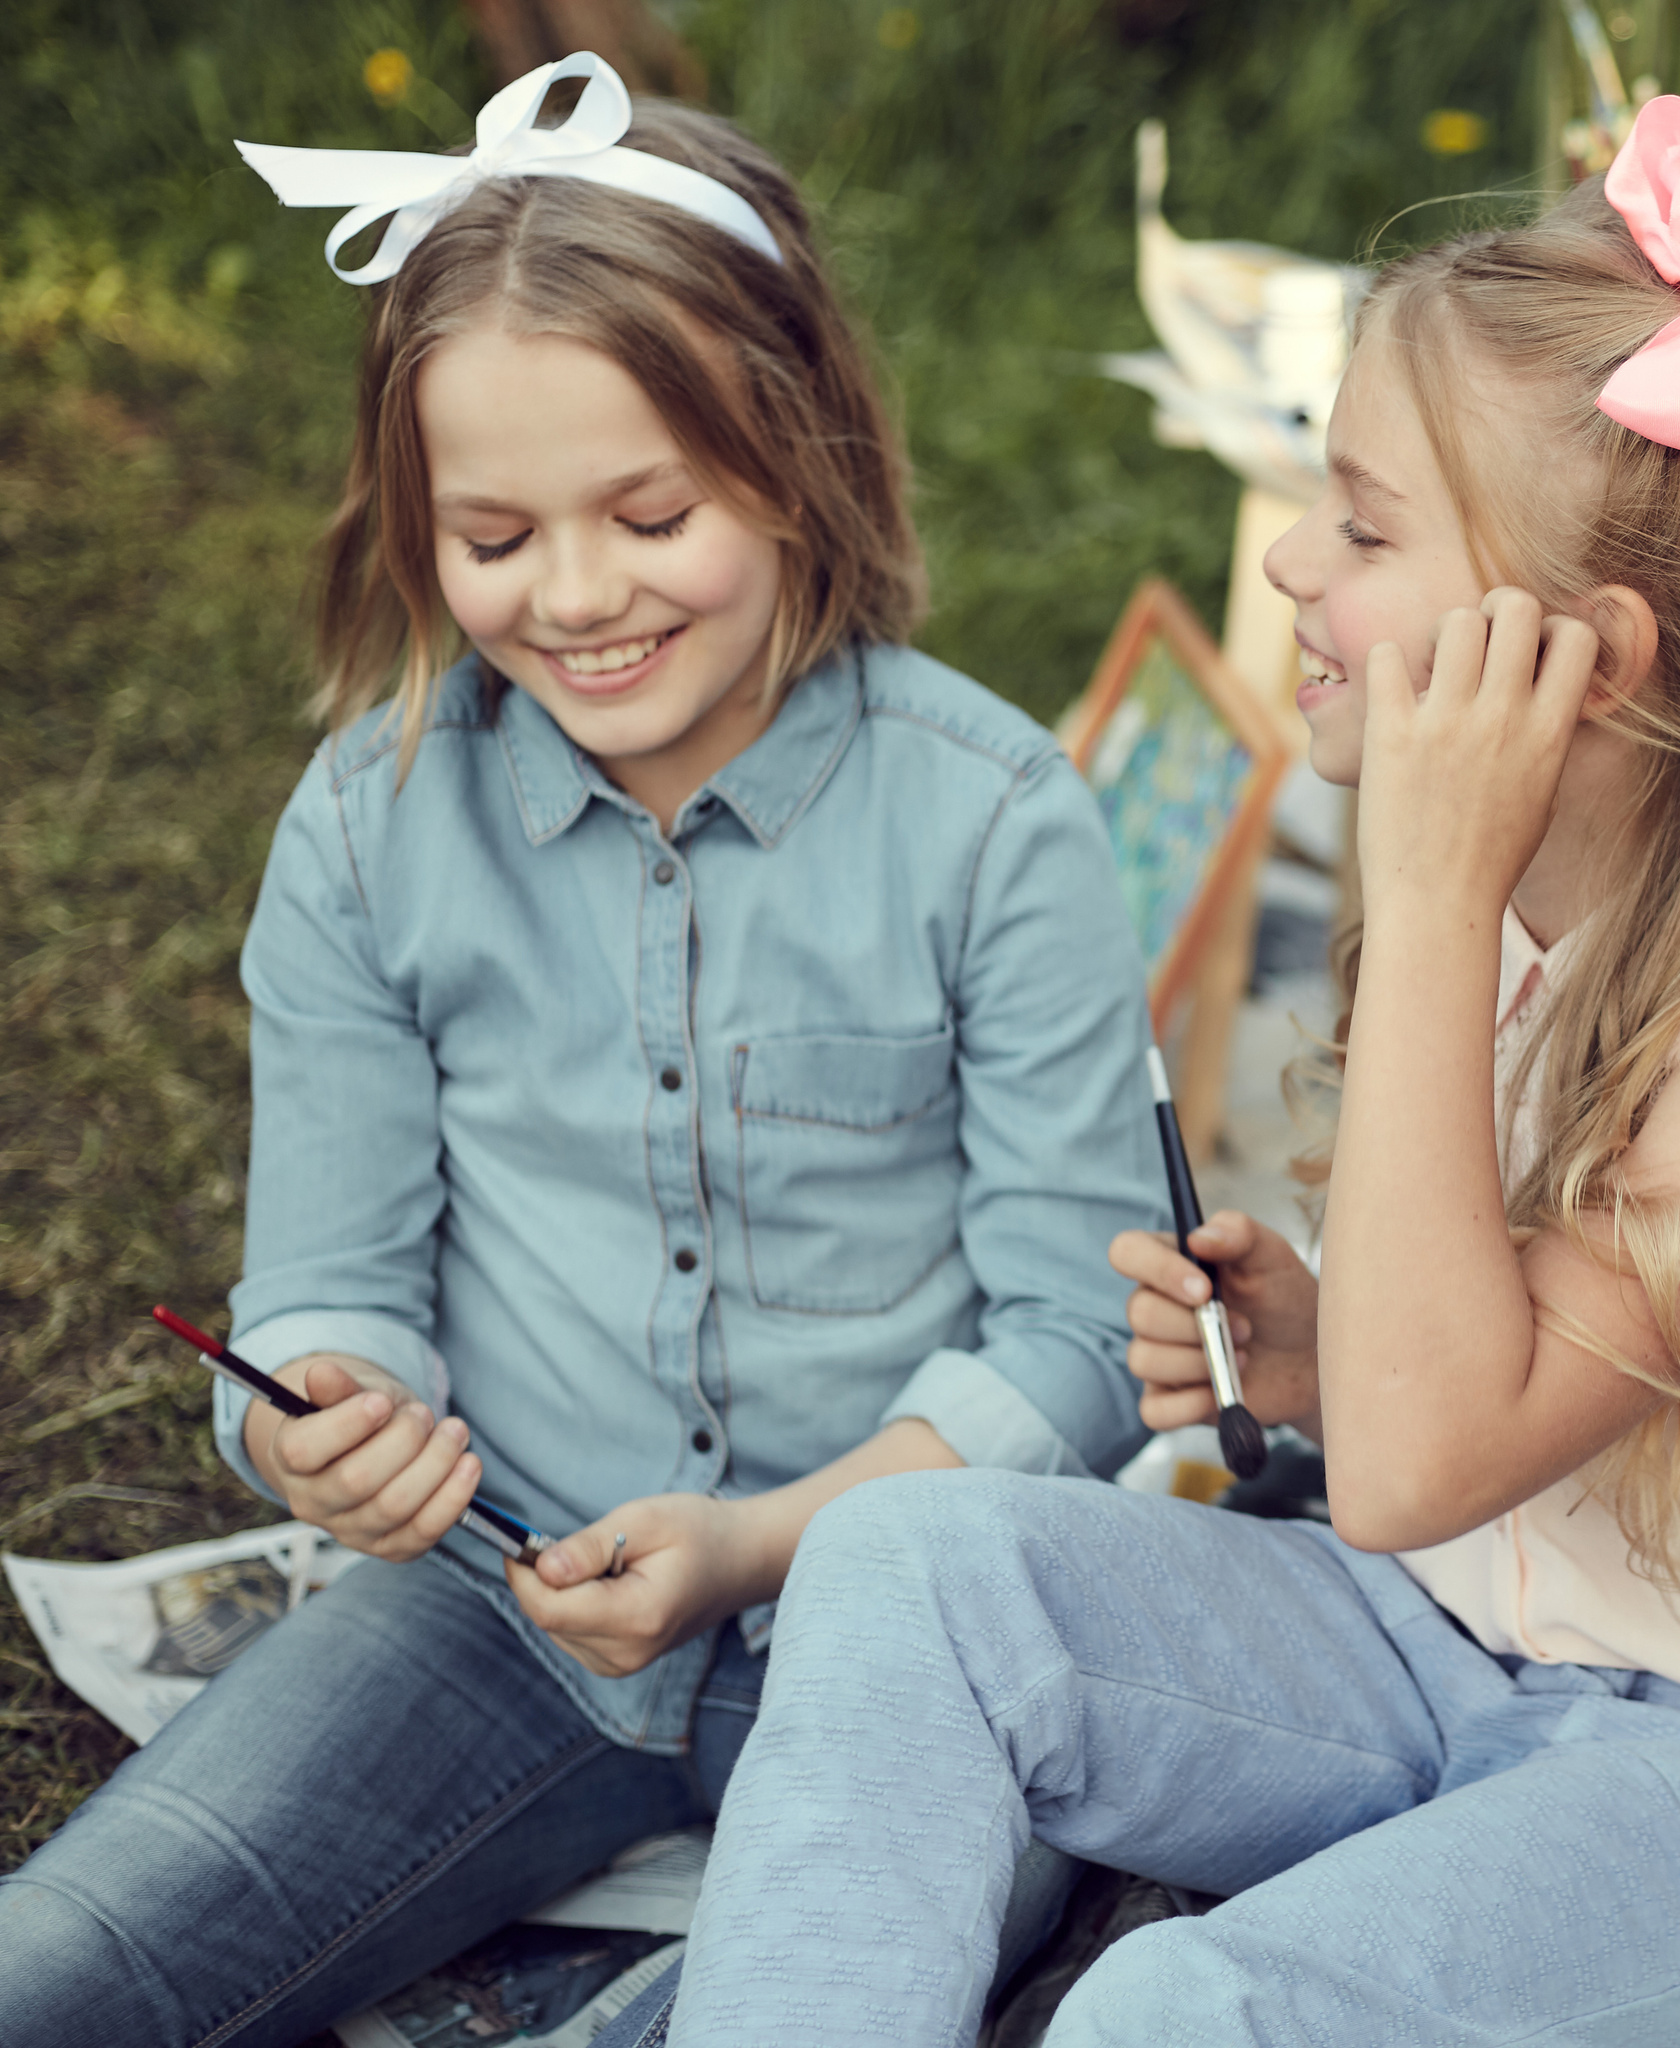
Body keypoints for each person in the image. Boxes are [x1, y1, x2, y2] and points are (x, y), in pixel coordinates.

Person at [629, 95, 1680, 2047]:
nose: (1287, 560)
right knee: (906, 1566)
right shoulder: (1540, 900)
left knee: (1175, 2017)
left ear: (1587, 664)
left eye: (1363, 526)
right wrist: (1311, 1356)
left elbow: (1430, 1456)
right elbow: (1436, 1433)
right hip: (1437, 1640)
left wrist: (1429, 888)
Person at [0, 55, 1162, 2048]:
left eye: (650, 512)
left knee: (805, 2003)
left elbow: (1073, 1327)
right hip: (500, 1605)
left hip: (913, 1623)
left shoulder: (994, 818)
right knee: (65, 1965)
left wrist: (753, 1548)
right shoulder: (368, 827)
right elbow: (334, 1280)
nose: (579, 597)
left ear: (791, 458)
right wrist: (320, 1419)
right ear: (411, 526)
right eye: (495, 536)